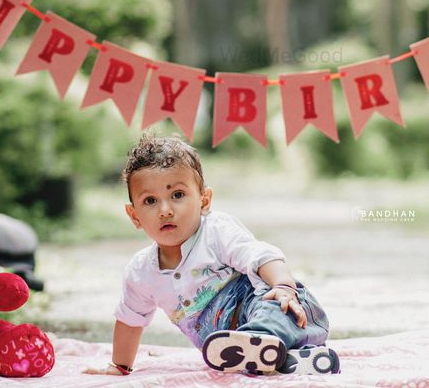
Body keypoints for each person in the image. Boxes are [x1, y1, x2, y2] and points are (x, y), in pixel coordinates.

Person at [85, 134, 340, 377]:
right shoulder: (141, 272)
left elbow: (260, 255)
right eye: (150, 201)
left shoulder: (216, 232)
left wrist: (284, 287)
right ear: (134, 216)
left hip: (287, 310)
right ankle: (298, 360)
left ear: (204, 200)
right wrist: (120, 365)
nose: (165, 210)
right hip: (230, 347)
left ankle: (260, 341)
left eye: (177, 195)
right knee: (247, 355)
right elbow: (130, 319)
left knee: (271, 309)